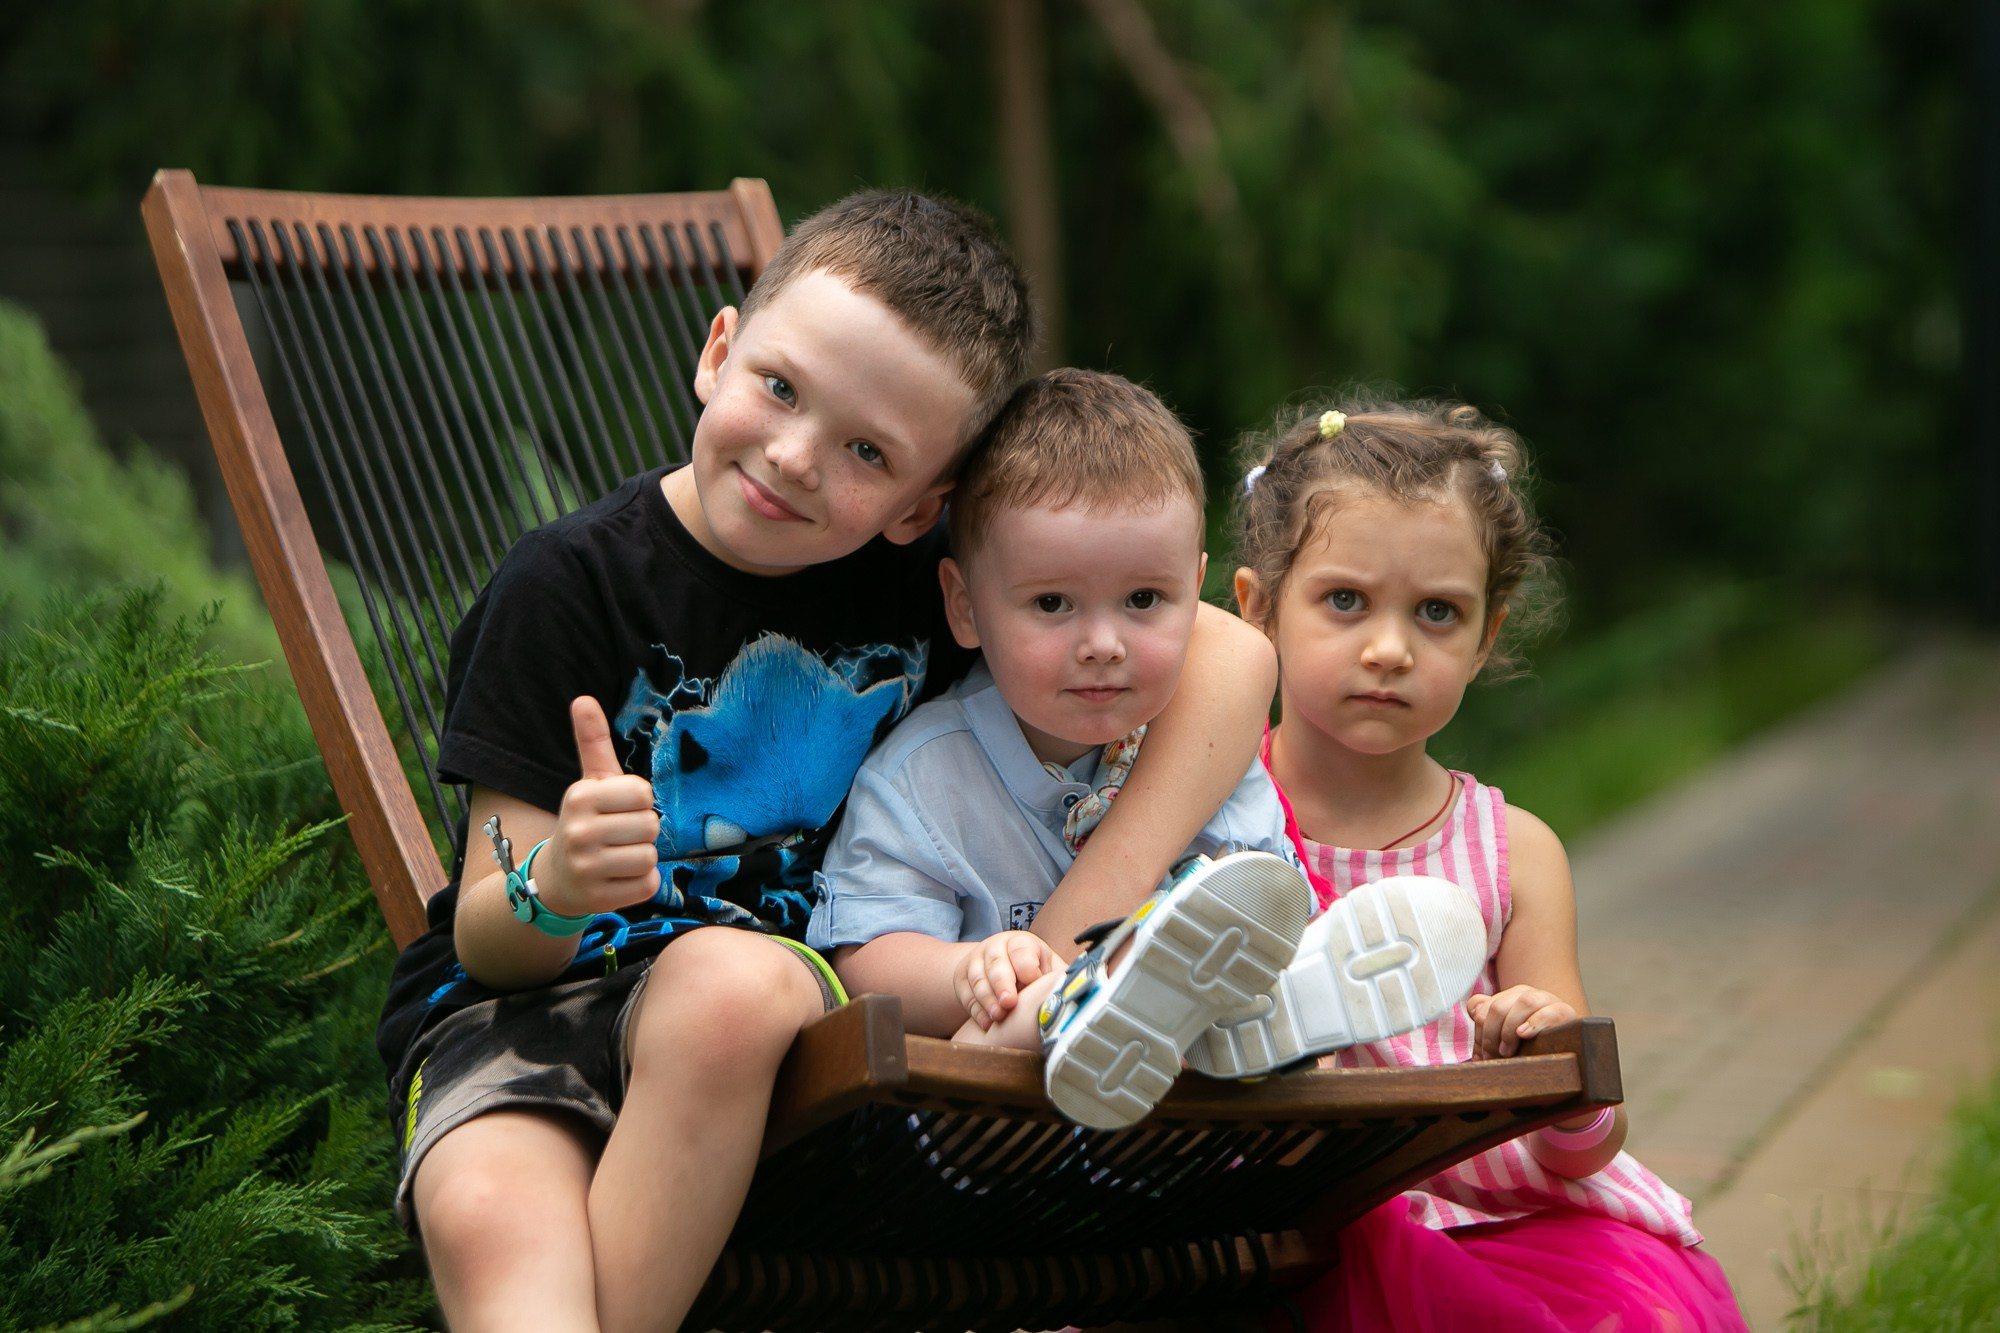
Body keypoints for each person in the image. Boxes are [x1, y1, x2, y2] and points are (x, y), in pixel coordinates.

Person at [373, 193, 1283, 1333]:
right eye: (779, 388)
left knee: (728, 985)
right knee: (490, 1216)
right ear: (717, 353)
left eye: (866, 452)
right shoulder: (563, 587)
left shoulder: (915, 582)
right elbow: (487, 941)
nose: (796, 459)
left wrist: (1062, 952)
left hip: (778, 1026)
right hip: (518, 1004)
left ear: (920, 512)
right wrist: (551, 883)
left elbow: (1237, 657)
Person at [808, 369, 1488, 1129]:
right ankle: (1110, 1004)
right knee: (1035, 1001)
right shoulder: (921, 778)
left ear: (1194, 593)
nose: (1103, 645)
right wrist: (967, 969)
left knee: (1257, 974)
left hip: (1184, 1134)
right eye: (1052, 603)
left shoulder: (1206, 754)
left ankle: (1253, 1021)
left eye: (1143, 601)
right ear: (965, 605)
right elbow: (863, 961)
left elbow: (1262, 894)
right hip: (991, 1127)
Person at [1227, 400, 1749, 1331]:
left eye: (1437, 612)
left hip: (1502, 1223)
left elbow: (1586, 1134)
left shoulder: (1516, 853)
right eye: (1345, 600)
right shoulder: (1211, 813)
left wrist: (1555, 1063)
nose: (1390, 648)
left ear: (1486, 636)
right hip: (1279, 1219)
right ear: (1257, 606)